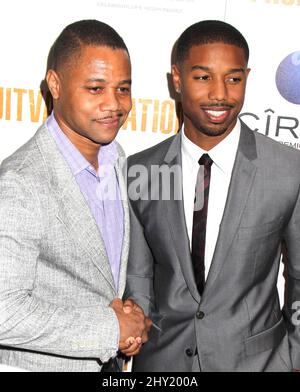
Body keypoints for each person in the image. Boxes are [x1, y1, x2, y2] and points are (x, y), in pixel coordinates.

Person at [125, 20, 300, 372]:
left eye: (233, 78)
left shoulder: (288, 168)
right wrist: (134, 332)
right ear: (177, 79)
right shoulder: (141, 171)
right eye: (203, 77)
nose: (220, 93)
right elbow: (140, 279)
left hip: (259, 364)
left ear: (247, 77)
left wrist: (293, 356)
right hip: (163, 365)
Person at [0, 19, 151, 372]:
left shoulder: (118, 159)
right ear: (55, 84)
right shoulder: (21, 182)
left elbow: (98, 276)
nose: (114, 104)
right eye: (96, 89)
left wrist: (127, 319)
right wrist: (110, 329)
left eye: (123, 89)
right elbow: (3, 310)